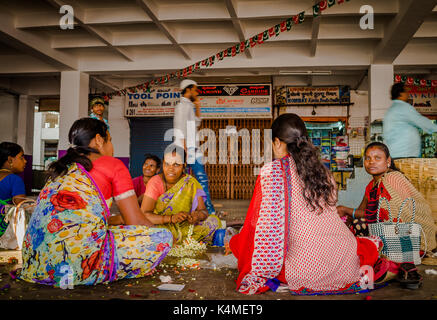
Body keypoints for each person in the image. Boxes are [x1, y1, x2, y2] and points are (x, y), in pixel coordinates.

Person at [230, 114, 398, 295]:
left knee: (239, 243)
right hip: (343, 260)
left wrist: (240, 241)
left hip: (303, 269)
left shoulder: (272, 172)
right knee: (363, 245)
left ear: (277, 143)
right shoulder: (323, 171)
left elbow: (261, 226)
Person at [19, 118, 172, 287]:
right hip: (78, 268)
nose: (112, 147)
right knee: (163, 237)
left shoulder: (63, 167)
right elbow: (135, 222)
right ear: (99, 140)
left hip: (35, 264)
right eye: (110, 140)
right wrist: (168, 235)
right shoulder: (113, 165)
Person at [337, 142, 436, 288]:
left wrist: (346, 209)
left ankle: (398, 264)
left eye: (378, 158)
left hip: (403, 238)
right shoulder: (371, 186)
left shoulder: (393, 179)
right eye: (368, 158)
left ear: (388, 161)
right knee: (353, 226)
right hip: (385, 234)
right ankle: (382, 263)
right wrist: (343, 215)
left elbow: (400, 214)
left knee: (359, 226)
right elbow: (362, 213)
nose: (371, 162)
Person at [140, 146, 220, 244]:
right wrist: (170, 218)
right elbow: (144, 215)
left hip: (185, 227)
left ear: (184, 166)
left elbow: (203, 211)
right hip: (161, 227)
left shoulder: (191, 182)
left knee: (213, 221)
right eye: (167, 164)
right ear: (163, 164)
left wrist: (197, 216)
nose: (170, 169)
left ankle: (182, 241)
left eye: (176, 164)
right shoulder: (155, 183)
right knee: (154, 234)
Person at [173, 79, 215, 215]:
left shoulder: (189, 106)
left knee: (189, 179)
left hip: (191, 148)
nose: (196, 92)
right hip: (187, 149)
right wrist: (185, 151)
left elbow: (197, 123)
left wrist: (197, 106)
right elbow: (179, 129)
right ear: (188, 89)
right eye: (195, 89)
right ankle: (209, 211)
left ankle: (197, 209)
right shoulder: (182, 107)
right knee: (201, 179)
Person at [383, 83, 437, 159]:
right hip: (404, 154)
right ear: (400, 94)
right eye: (406, 92)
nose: (408, 94)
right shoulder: (403, 107)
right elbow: (421, 121)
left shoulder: (392, 109)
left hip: (396, 153)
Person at [0, 142, 27, 237]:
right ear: (10, 160)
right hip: (3, 230)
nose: (25, 161)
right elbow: (20, 204)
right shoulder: (15, 179)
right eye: (21, 157)